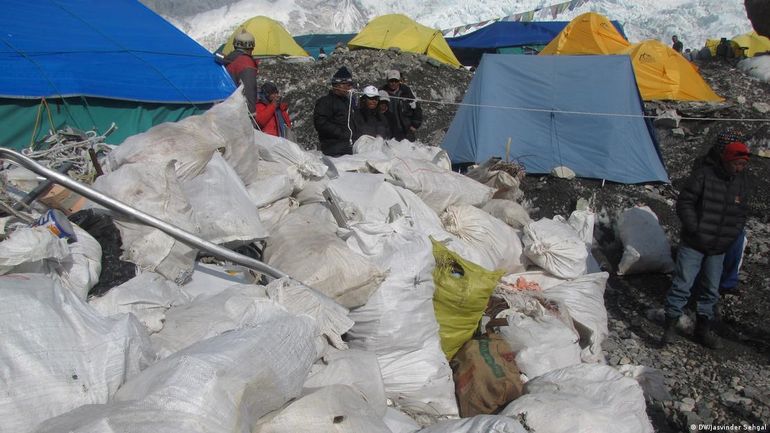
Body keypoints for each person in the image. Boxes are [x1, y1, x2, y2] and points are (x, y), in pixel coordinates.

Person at [662, 140, 751, 349]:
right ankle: (670, 326)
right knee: (682, 283)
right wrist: (695, 229)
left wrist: (730, 236)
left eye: (743, 165)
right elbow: (685, 203)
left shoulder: (741, 182)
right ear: (727, 160)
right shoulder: (704, 175)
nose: (740, 168)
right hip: (695, 242)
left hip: (718, 246)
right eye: (737, 164)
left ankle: (702, 329)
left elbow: (741, 213)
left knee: (710, 289)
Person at [313, 66, 356, 156]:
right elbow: (321, 123)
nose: (349, 87)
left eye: (350, 85)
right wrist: (341, 133)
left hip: (348, 148)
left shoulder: (347, 102)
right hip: (333, 149)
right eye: (347, 84)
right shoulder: (325, 101)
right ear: (337, 84)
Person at [220, 30, 259, 118]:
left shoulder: (228, 60)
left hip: (222, 108)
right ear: (251, 47)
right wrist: (252, 114)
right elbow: (249, 89)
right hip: (237, 113)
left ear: (234, 45)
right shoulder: (246, 62)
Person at [380, 69, 423, 141]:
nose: (393, 83)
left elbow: (416, 108)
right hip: (389, 130)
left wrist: (415, 125)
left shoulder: (406, 91)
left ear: (399, 81)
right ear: (387, 81)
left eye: (396, 81)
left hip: (406, 130)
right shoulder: (381, 92)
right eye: (391, 81)